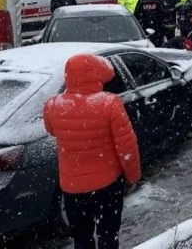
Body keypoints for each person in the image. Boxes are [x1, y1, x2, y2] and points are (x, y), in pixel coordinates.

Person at [43, 53, 141, 249]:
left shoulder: (53, 106)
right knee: (108, 235)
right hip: (107, 185)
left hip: (71, 188)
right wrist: (133, 175)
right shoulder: (109, 104)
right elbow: (126, 147)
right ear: (96, 75)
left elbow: (51, 130)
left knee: (82, 238)